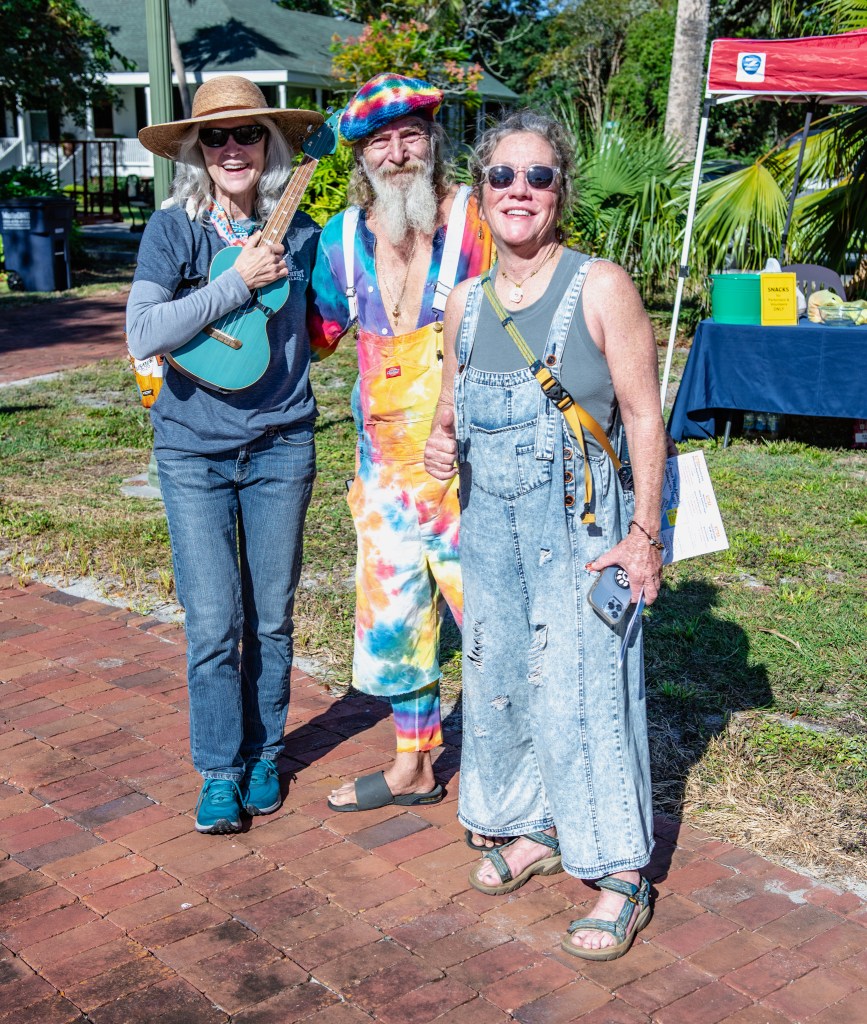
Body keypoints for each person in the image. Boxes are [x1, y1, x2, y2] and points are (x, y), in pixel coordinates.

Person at [425, 109, 667, 961]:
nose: (518, 190)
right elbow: (450, 412)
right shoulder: (465, 303)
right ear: (480, 192)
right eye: (502, 176)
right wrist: (439, 441)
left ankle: (621, 872)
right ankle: (534, 824)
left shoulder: (600, 286)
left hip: (584, 532)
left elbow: (644, 417)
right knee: (501, 681)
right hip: (490, 533)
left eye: (538, 176)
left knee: (585, 692)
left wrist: (643, 536)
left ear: (560, 192)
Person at [127, 76, 328, 835]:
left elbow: (337, 320)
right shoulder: (173, 228)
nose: (232, 148)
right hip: (192, 451)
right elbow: (144, 332)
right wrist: (236, 283)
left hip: (281, 444)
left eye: (248, 134)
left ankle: (265, 752)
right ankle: (219, 768)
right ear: (197, 150)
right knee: (213, 622)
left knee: (270, 617)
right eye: (216, 136)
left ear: (271, 144)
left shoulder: (304, 235)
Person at [311, 73, 492, 814]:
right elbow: (318, 335)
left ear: (433, 141)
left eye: (410, 135)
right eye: (379, 142)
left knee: (494, 617)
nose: (397, 153)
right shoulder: (340, 238)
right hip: (382, 465)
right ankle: (413, 767)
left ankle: (521, 771)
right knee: (397, 619)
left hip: (473, 460)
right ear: (360, 158)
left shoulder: (477, 218)